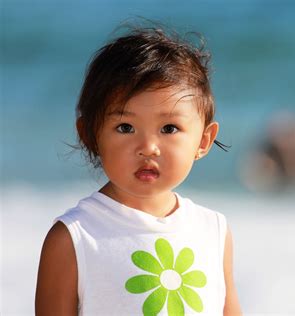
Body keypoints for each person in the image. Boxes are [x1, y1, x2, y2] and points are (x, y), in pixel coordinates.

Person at [35, 24, 241, 316]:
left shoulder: (213, 231)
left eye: (169, 128)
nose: (148, 147)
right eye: (125, 127)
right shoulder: (74, 238)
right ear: (90, 135)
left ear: (203, 140)